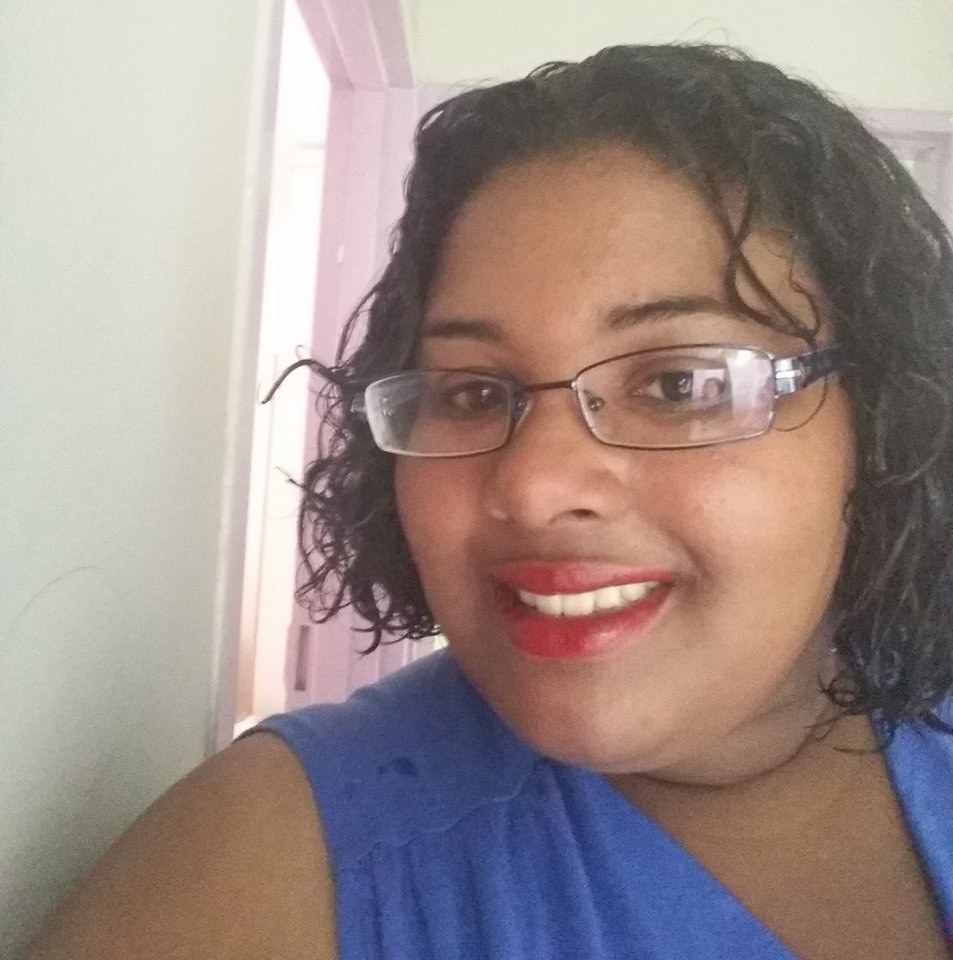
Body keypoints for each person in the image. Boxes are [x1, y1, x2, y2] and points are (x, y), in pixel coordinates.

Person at [29, 44, 953, 960]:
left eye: (678, 385)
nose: (533, 485)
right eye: (471, 392)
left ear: (879, 424)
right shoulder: (259, 867)